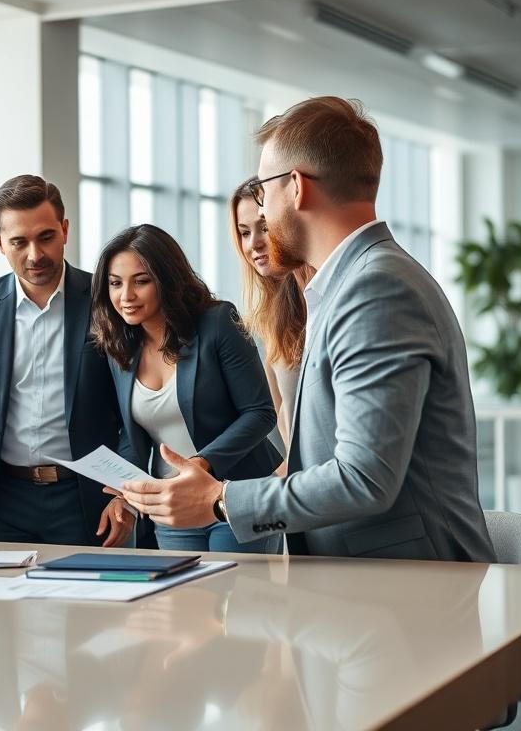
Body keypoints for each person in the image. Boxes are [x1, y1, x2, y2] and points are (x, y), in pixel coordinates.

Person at [118, 96, 495, 563]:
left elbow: (364, 477)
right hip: (375, 583)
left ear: (295, 187)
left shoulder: (375, 289)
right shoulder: (351, 282)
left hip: (406, 587)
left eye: (262, 191)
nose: (262, 212)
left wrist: (218, 500)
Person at [0, 174, 134, 547]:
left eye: (45, 237)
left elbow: (131, 411)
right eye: (18, 242)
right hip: (0, 499)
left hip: (86, 499)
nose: (35, 255)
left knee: (87, 605)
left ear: (64, 230)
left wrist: (123, 493)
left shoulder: (106, 301)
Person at [91, 224, 282, 553]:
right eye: (115, 283)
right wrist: (126, 492)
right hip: (171, 505)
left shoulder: (219, 323)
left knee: (236, 598)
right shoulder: (119, 346)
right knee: (182, 601)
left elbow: (260, 413)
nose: (126, 296)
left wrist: (202, 463)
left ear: (166, 279)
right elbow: (133, 434)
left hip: (234, 493)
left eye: (141, 281)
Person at [229, 179, 314, 460]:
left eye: (264, 227)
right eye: (244, 232)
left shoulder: (318, 300)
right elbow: (282, 417)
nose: (254, 243)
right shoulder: (266, 319)